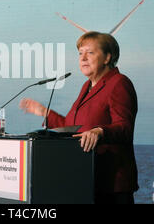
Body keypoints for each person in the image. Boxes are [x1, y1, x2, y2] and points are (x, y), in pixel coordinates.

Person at [19, 31, 138, 204]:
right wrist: (44, 112)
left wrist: (99, 131)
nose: (83, 58)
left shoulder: (119, 83)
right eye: (80, 53)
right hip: (84, 180)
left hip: (111, 184)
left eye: (90, 52)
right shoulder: (87, 86)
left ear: (107, 57)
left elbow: (124, 127)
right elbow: (72, 127)